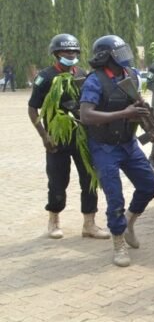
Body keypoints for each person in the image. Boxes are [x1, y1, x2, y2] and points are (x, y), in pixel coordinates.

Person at [79, 35, 154, 267]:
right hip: (104, 147)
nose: (125, 57)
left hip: (128, 144)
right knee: (115, 197)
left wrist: (149, 126)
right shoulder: (95, 80)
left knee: (149, 186)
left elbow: (139, 106)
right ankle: (118, 242)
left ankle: (129, 223)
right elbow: (86, 115)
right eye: (119, 53)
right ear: (106, 57)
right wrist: (123, 114)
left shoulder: (131, 75)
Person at [28, 34, 109, 240]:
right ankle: (53, 220)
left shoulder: (82, 73)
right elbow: (32, 109)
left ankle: (89, 224)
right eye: (66, 52)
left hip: (82, 136)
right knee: (57, 180)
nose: (71, 55)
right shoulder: (45, 78)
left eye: (74, 52)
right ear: (56, 54)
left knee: (89, 178)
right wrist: (44, 136)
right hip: (57, 138)